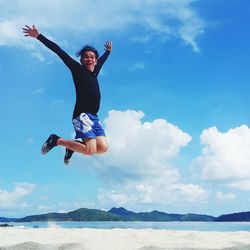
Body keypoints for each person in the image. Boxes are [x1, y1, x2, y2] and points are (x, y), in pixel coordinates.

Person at [23, 25, 112, 165]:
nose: (89, 59)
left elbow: (102, 61)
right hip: (82, 114)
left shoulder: (94, 73)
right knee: (90, 150)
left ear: (95, 60)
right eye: (86, 57)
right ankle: (56, 140)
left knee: (103, 148)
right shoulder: (77, 70)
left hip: (94, 117)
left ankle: (71, 147)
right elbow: (59, 51)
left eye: (92, 57)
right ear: (81, 60)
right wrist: (39, 36)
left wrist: (107, 52)